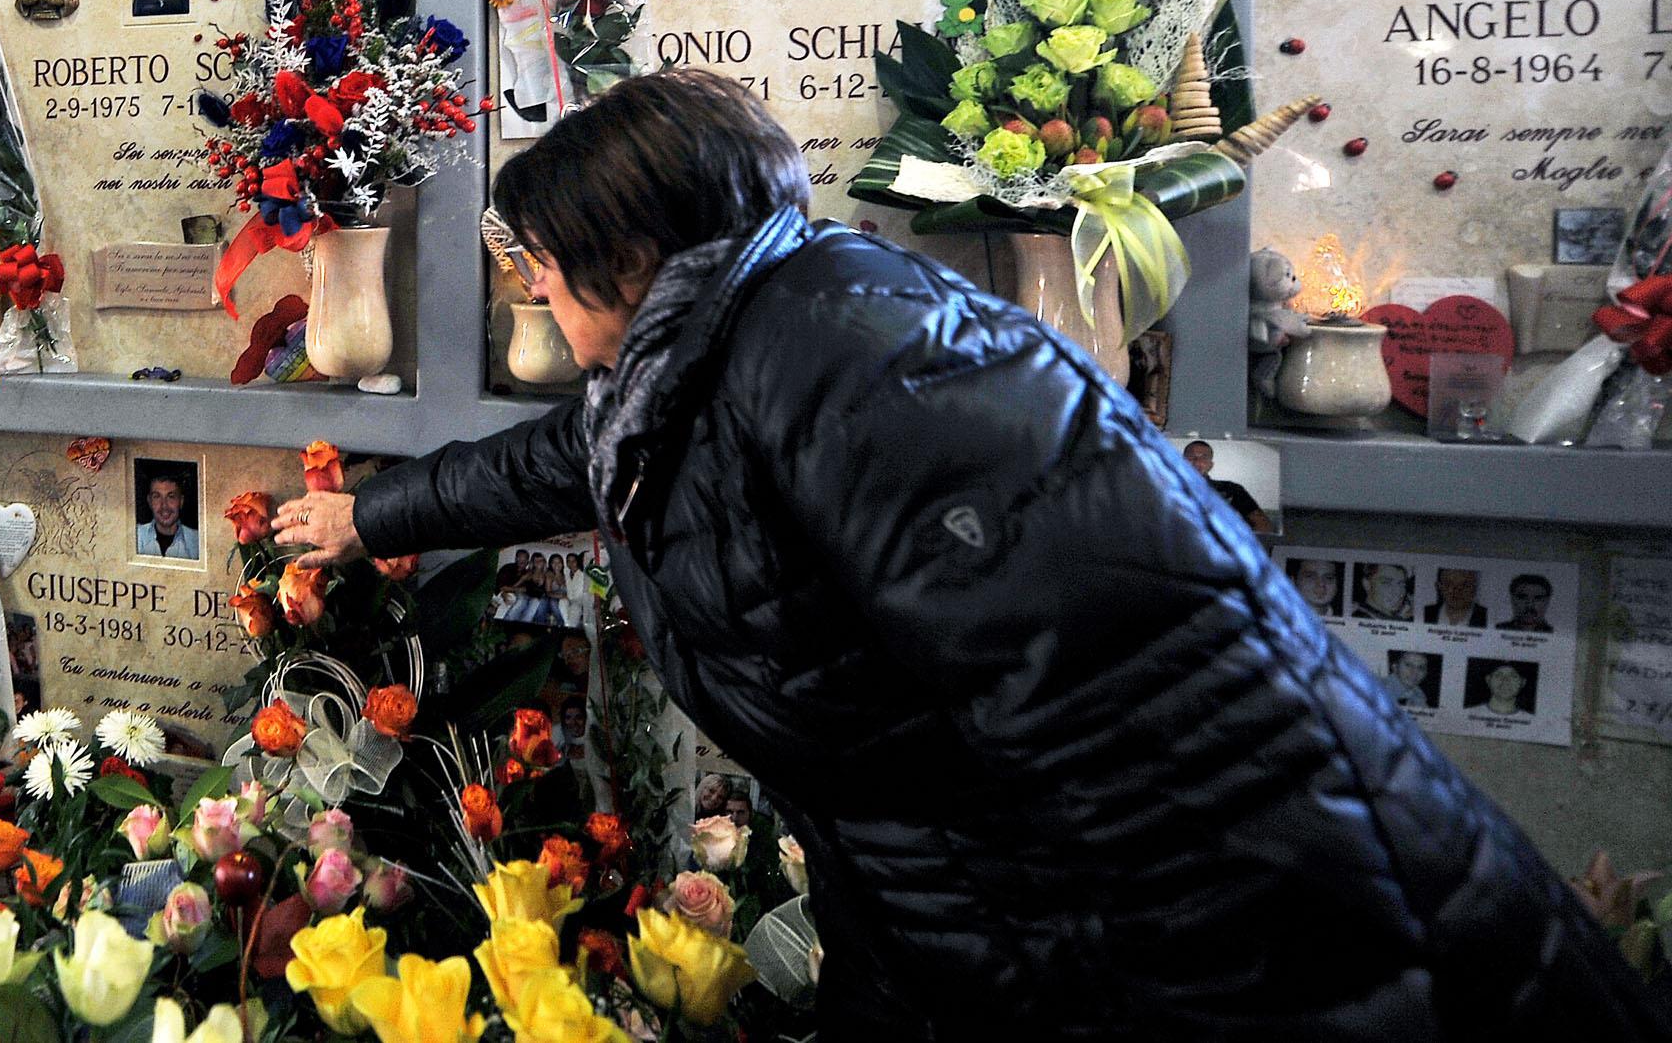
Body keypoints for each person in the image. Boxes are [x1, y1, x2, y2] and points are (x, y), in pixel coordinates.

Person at [266, 67, 1664, 1039]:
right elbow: (563, 458)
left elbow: (1175, 756)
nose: (533, 292)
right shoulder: (715, 353)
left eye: (540, 267)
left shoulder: (859, 362)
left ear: (626, 254)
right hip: (973, 933)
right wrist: (368, 516)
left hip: (1235, 954)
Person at [1182, 440, 1266, 533]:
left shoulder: (1232, 490)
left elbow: (1263, 526)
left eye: (1204, 458)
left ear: (1210, 465)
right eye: (1191, 456)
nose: (1197, 461)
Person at [135, 470, 199, 560]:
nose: (164, 505)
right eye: (157, 496)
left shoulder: (197, 541)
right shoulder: (136, 536)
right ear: (149, 501)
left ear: (181, 501)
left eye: (171, 496)